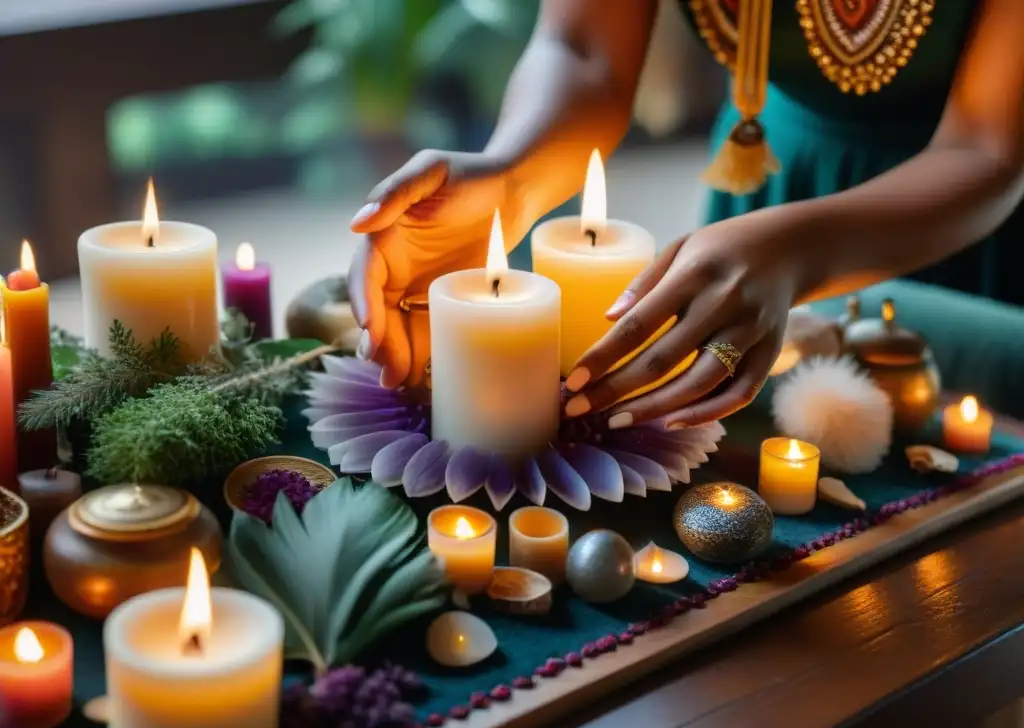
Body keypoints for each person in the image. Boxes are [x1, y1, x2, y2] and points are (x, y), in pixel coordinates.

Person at [348, 0, 1024, 430]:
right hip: (769, 182)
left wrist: (794, 252)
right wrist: (512, 177)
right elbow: (584, 51)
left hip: (965, 208)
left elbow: (988, 150)